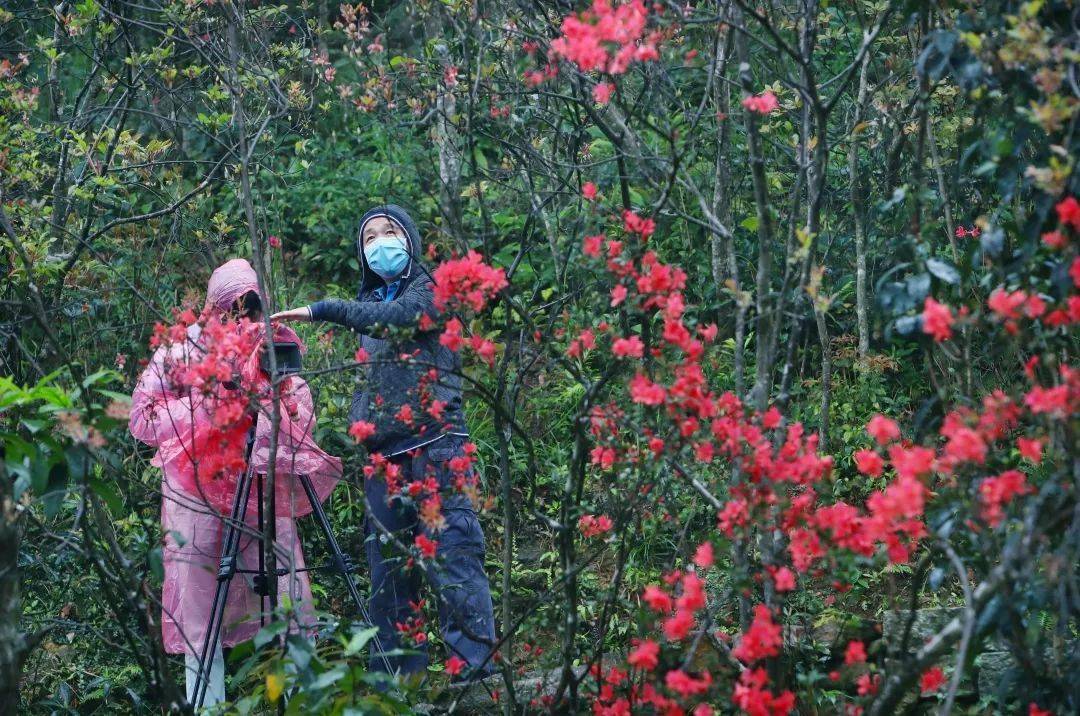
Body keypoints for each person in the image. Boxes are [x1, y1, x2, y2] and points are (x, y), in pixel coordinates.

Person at [273, 204, 496, 681]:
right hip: (384, 462)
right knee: (389, 582)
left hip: (437, 448)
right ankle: (398, 686)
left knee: (455, 560)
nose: (379, 242)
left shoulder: (429, 290)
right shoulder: (370, 305)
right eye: (369, 236)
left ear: (410, 238)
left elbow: (399, 318)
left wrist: (323, 310)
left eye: (388, 231)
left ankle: (475, 679)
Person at [130, 259, 342, 707]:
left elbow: (299, 410)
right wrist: (212, 409)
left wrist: (263, 399)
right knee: (200, 608)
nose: (239, 317)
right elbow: (142, 419)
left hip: (258, 493)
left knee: (285, 598)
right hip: (198, 497)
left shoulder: (269, 346)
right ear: (212, 307)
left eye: (249, 306)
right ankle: (206, 704)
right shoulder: (180, 351)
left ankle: (302, 700)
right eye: (231, 306)